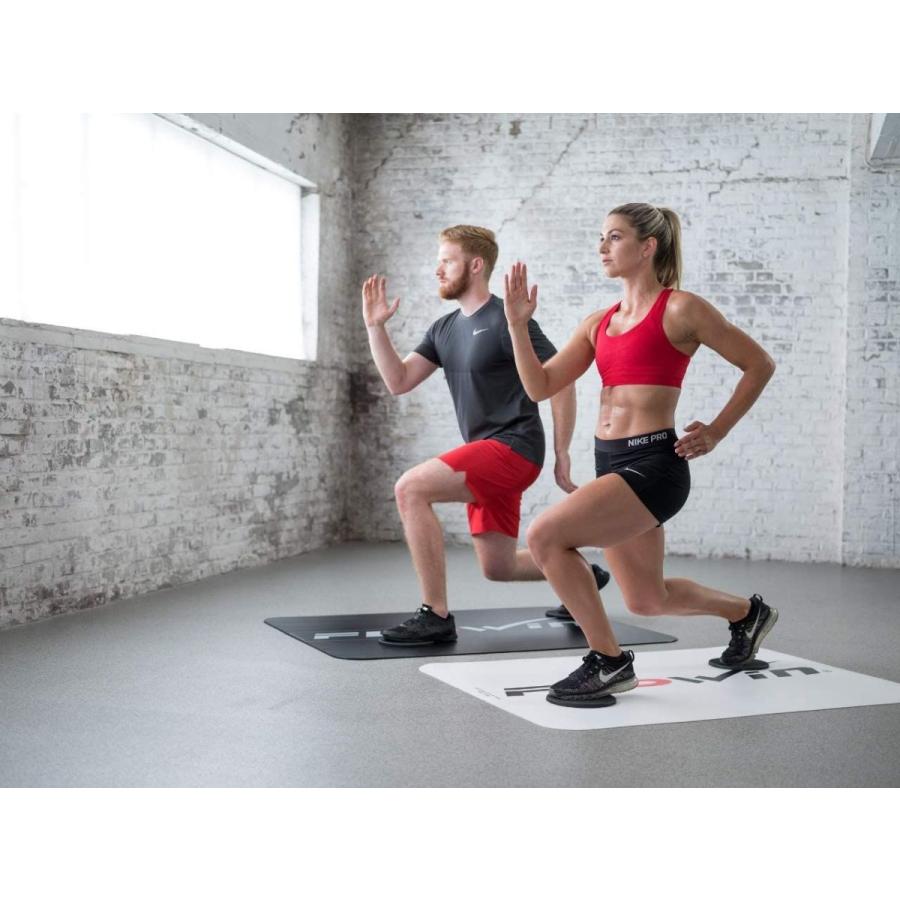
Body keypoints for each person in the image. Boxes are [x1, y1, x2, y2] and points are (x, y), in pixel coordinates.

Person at [503, 203, 778, 707]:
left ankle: (609, 661)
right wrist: (518, 326)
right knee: (648, 600)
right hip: (611, 464)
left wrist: (716, 430)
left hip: (654, 466)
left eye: (614, 237)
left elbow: (759, 363)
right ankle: (747, 614)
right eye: (601, 237)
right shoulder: (598, 323)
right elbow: (540, 386)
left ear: (647, 247)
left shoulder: (681, 309)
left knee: (545, 536)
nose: (602, 247)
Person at [361, 225, 610, 646]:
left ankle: (435, 615)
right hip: (485, 451)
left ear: (475, 266)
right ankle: (585, 573)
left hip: (515, 447)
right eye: (439, 261)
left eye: (447, 261)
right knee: (498, 567)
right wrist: (375, 328)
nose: (438, 269)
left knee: (410, 489)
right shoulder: (443, 329)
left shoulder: (507, 319)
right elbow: (399, 381)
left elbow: (560, 381)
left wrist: (562, 451)